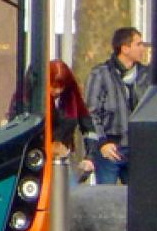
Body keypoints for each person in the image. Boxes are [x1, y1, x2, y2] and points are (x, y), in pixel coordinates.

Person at [84, 26, 148, 184]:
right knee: (105, 198)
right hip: (111, 147)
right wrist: (102, 143)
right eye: (138, 44)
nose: (143, 49)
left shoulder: (147, 75)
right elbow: (91, 113)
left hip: (140, 147)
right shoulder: (101, 74)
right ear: (125, 48)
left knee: (139, 199)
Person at [46, 59, 96, 177]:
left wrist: (89, 157)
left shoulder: (72, 98)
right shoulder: (34, 98)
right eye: (53, 86)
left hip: (64, 160)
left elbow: (89, 128)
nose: (57, 91)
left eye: (61, 87)